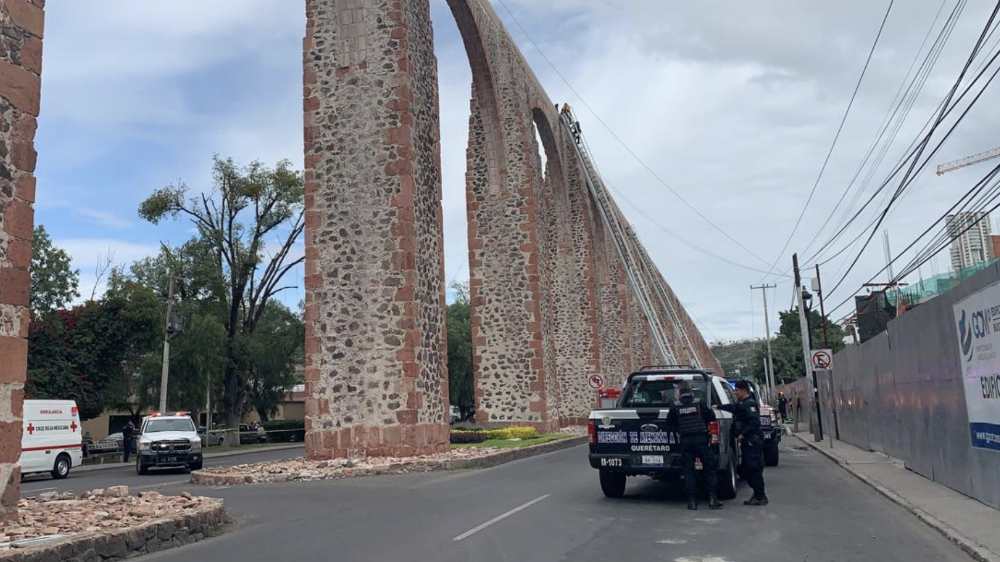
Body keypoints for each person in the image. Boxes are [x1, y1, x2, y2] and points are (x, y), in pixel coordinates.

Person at [665, 381, 723, 511]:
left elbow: (670, 423)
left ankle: (692, 501)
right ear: (691, 391)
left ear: (679, 392)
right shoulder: (699, 402)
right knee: (709, 469)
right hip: (701, 439)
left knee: (689, 471)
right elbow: (711, 417)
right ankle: (713, 499)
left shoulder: (675, 406)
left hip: (686, 441)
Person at [718, 380, 768, 506]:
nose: (735, 392)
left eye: (736, 390)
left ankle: (760, 496)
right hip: (748, 442)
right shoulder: (743, 404)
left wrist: (743, 434)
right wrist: (718, 407)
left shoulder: (750, 404)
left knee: (753, 469)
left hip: (752, 441)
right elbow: (733, 408)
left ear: (744, 390)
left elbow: (755, 423)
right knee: (748, 469)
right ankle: (758, 495)